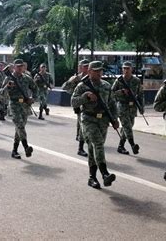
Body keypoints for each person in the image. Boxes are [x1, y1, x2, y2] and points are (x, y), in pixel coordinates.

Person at [71, 61, 119, 189]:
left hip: (103, 120)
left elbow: (112, 104)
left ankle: (92, 177)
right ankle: (104, 173)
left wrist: (114, 119)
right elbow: (73, 102)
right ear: (89, 71)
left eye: (100, 70)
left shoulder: (107, 86)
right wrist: (85, 97)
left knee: (94, 149)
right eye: (96, 70)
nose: (98, 73)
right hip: (88, 119)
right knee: (97, 144)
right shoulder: (82, 86)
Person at [0, 59, 38, 159]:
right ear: (14, 67)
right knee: (20, 126)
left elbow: (35, 88)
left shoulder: (27, 78)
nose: (20, 68)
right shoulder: (8, 78)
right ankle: (26, 147)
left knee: (19, 129)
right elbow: (1, 93)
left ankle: (14, 150)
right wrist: (7, 87)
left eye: (21, 66)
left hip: (25, 105)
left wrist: (33, 98)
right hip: (14, 105)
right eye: (18, 66)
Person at [111, 61, 144, 155]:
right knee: (127, 126)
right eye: (124, 68)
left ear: (131, 69)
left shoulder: (136, 80)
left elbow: (141, 94)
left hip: (132, 106)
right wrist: (121, 92)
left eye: (127, 68)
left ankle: (120, 146)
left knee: (128, 126)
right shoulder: (119, 80)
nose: (125, 70)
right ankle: (133, 145)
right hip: (122, 106)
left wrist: (141, 107)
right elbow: (111, 93)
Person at [62, 59, 90, 157]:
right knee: (81, 122)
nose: (86, 68)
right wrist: (71, 81)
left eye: (87, 66)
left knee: (83, 123)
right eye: (84, 66)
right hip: (79, 103)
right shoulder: (77, 78)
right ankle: (80, 146)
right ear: (80, 67)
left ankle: (81, 137)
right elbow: (64, 88)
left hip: (91, 105)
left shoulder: (91, 77)